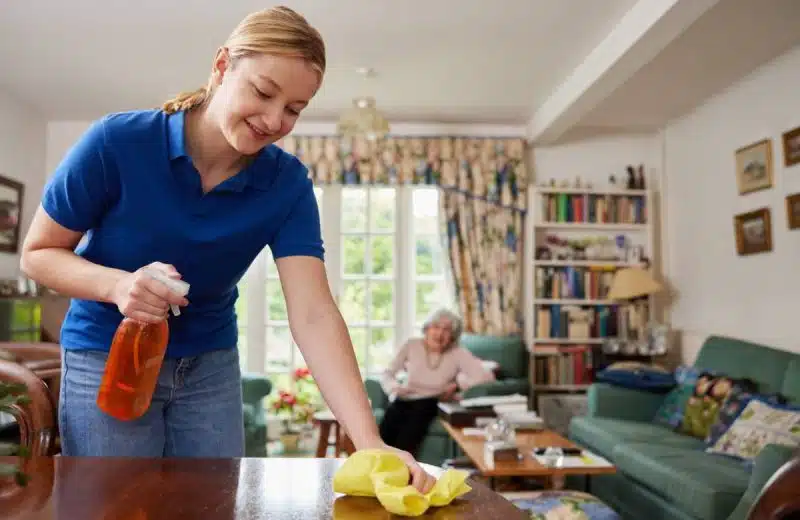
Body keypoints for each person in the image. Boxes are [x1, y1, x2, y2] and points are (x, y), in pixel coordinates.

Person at [20, 6, 434, 493]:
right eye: (263, 92)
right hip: (107, 359)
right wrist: (118, 285)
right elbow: (38, 253)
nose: (275, 120)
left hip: (209, 367)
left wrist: (370, 443)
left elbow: (314, 312)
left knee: (212, 506)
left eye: (295, 109)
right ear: (222, 66)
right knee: (116, 506)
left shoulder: (286, 184)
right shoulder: (118, 142)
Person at [378, 308, 496, 456]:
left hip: (433, 401)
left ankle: (403, 467)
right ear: (427, 329)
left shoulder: (458, 352)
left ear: (453, 335)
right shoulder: (412, 345)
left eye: (446, 330)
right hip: (406, 397)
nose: (440, 334)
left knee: (416, 419)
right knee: (389, 421)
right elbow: (387, 373)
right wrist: (394, 387)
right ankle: (377, 463)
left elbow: (484, 377)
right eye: (436, 327)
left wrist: (459, 384)